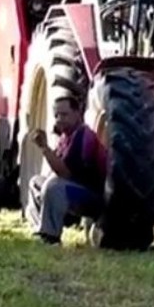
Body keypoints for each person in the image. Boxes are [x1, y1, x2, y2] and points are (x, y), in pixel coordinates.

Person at [26, 96, 108, 244]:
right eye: (56, 115)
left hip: (92, 197)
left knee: (54, 186)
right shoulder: (66, 138)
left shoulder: (84, 137)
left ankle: (50, 236)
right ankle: (41, 227)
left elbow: (65, 174)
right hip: (73, 190)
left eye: (64, 114)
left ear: (77, 113)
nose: (59, 119)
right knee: (36, 182)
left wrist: (44, 148)